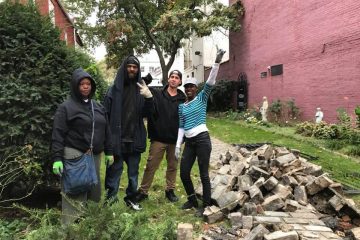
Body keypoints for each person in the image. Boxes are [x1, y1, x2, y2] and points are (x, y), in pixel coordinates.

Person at [51, 68, 113, 225]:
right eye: (82, 84)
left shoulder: (98, 107)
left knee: (94, 192)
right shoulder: (66, 108)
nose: (86, 86)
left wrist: (109, 151)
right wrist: (57, 158)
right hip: (74, 155)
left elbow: (106, 130)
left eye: (88, 84)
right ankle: (70, 229)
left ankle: (90, 228)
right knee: (75, 192)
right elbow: (58, 134)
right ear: (75, 86)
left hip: (94, 156)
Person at [175, 49, 226, 217]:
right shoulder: (182, 106)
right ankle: (192, 200)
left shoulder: (202, 98)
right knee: (183, 172)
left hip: (203, 140)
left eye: (191, 87)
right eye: (187, 87)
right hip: (189, 143)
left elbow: (211, 81)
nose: (189, 89)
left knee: (204, 173)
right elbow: (181, 127)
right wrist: (177, 146)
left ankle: (205, 205)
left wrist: (217, 62)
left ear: (196, 89)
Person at [103, 55, 153, 210]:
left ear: (138, 70)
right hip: (116, 141)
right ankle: (110, 201)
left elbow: (149, 114)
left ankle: (131, 199)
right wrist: (108, 145)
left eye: (135, 67)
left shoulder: (141, 90)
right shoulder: (113, 90)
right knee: (114, 174)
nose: (132, 69)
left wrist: (149, 98)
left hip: (134, 140)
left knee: (133, 176)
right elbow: (105, 117)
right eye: (129, 66)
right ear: (124, 68)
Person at [135, 70, 186, 203]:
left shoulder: (183, 99)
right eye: (172, 77)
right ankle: (143, 191)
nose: (174, 79)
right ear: (168, 79)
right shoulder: (157, 93)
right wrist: (148, 78)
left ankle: (170, 190)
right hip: (158, 138)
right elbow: (139, 84)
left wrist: (182, 139)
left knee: (173, 166)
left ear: (180, 82)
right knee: (151, 166)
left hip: (175, 140)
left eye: (177, 78)